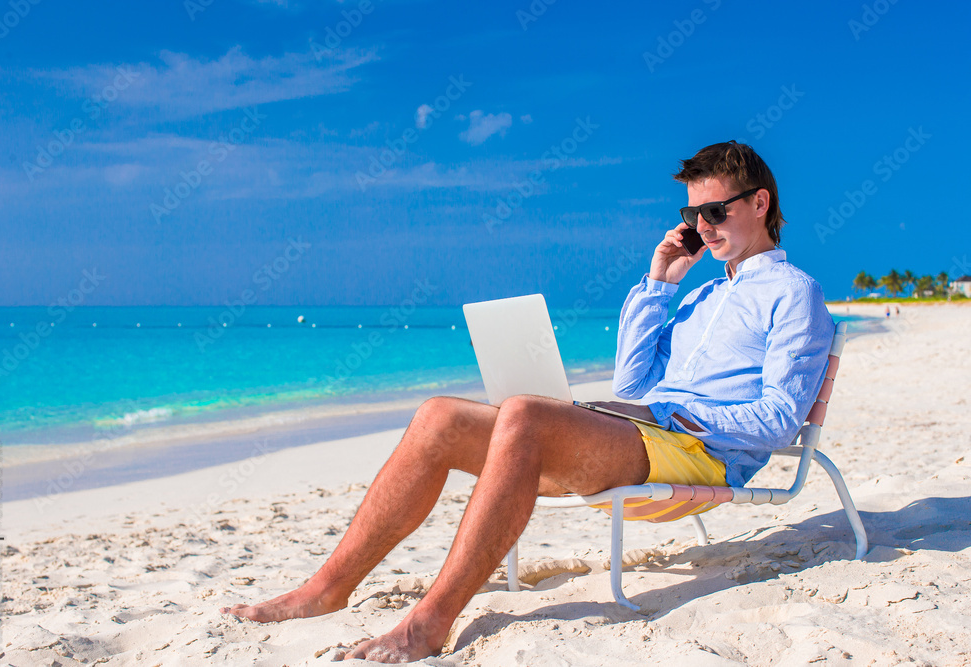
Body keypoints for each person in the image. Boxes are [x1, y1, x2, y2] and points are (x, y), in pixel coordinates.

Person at [220, 141, 834, 663]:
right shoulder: (697, 298)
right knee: (438, 415)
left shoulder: (793, 293)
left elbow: (778, 422)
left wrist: (672, 415)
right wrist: (658, 284)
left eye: (716, 210)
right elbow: (631, 385)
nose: (702, 226)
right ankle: (326, 588)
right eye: (692, 213)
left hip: (704, 453)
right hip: (643, 435)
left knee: (524, 414)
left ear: (760, 202)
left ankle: (430, 620)